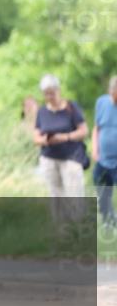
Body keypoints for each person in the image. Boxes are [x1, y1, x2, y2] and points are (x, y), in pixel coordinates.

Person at [33, 74, 89, 223]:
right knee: (56, 195)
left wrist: (65, 137)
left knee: (74, 194)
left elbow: (84, 131)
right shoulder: (42, 111)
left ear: (58, 90)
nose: (50, 96)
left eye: (52, 92)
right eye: (46, 93)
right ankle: (61, 231)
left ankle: (78, 228)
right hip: (49, 158)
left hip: (71, 157)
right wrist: (45, 140)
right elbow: (36, 136)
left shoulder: (71, 107)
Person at [91, 76, 117, 227]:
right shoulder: (101, 102)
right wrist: (95, 149)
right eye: (113, 94)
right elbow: (96, 128)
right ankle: (108, 220)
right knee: (102, 190)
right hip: (103, 159)